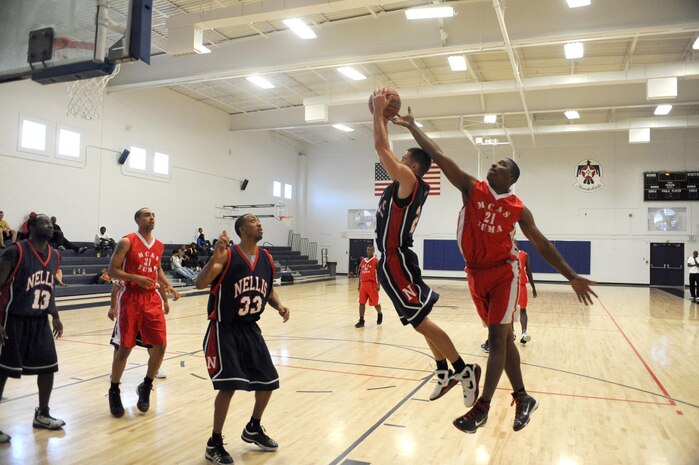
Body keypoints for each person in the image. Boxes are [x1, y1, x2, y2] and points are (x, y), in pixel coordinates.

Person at [393, 105, 597, 434]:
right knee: (505, 340)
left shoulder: (518, 209)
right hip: (475, 274)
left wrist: (572, 276)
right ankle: (523, 397)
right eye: (495, 161)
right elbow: (438, 154)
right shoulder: (471, 188)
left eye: (501, 165)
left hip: (504, 273)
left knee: (496, 339)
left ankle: (482, 407)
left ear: (510, 178)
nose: (493, 164)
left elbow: (543, 244)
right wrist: (413, 125)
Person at [371, 88, 481, 407]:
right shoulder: (408, 184)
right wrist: (394, 122)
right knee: (421, 321)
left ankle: (464, 369)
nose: (398, 161)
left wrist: (379, 112)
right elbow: (387, 147)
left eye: (404, 159)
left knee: (419, 321)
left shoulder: (409, 182)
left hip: (396, 260)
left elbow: (381, 148)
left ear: (413, 168)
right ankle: (443, 371)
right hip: (396, 259)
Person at [195, 216, 290, 465]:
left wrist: (278, 305)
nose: (258, 224)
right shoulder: (228, 255)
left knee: (268, 382)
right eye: (252, 221)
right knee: (228, 386)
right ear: (241, 230)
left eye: (258, 221)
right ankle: (214, 442)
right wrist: (214, 257)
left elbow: (267, 289)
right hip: (224, 328)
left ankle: (253, 428)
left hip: (250, 329)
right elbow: (200, 283)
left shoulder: (266, 258)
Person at [106, 207, 179, 418]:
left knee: (161, 344)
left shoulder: (159, 245)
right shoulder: (127, 241)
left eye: (154, 215)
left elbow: (157, 270)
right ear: (137, 219)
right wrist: (135, 278)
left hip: (151, 298)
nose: (152, 217)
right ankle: (114, 389)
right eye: (147, 215)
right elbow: (112, 271)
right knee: (124, 348)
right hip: (130, 297)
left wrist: (168, 287)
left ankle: (146, 385)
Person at [0, 214, 66, 443]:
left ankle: (42, 414)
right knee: (3, 371)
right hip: (13, 319)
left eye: (50, 223)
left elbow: (49, 287)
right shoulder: (15, 251)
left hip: (40, 320)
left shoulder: (55, 255)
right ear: (31, 227)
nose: (49, 226)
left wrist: (55, 314)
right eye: (44, 222)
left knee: (48, 367)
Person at [481, 245, 537, 352]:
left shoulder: (519, 255)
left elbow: (528, 271)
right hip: (511, 286)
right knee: (513, 311)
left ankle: (519, 333)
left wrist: (533, 287)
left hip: (514, 286)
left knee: (512, 311)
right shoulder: (507, 255)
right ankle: (514, 333)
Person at [107, 281, 168, 380]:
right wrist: (113, 307)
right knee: (120, 345)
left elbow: (160, 283)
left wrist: (165, 301)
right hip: (128, 309)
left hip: (147, 308)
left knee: (152, 343)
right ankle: (114, 373)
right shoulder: (126, 269)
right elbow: (116, 287)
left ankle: (155, 368)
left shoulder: (153, 270)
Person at [355, 245, 383, 328]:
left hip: (372, 284)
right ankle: (361, 320)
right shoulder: (363, 261)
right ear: (367, 251)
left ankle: (379, 313)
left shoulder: (376, 261)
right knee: (361, 302)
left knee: (375, 303)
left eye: (371, 250)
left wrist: (378, 284)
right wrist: (359, 284)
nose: (369, 251)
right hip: (363, 284)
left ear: (374, 251)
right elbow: (361, 273)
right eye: (368, 250)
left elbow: (380, 274)